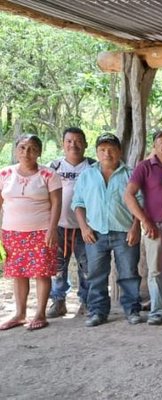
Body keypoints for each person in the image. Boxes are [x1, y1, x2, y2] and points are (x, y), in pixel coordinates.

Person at [73, 134, 142, 327]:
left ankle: (132, 310)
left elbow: (140, 202)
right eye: (102, 149)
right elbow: (78, 204)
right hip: (95, 233)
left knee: (128, 272)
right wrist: (84, 228)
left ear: (119, 151)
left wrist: (136, 227)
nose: (107, 153)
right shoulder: (87, 175)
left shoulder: (130, 174)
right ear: (96, 152)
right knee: (96, 274)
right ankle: (97, 311)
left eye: (111, 149)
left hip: (124, 231)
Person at [0, 134, 62, 331]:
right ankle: (20, 314)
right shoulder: (4, 174)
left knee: (41, 272)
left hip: (41, 231)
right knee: (18, 273)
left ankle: (40, 313)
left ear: (39, 152)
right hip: (12, 232)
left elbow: (57, 204)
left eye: (32, 148)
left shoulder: (49, 175)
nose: (27, 152)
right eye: (22, 148)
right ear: (16, 150)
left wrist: (52, 230)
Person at [124, 129, 162, 325]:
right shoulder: (144, 167)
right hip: (153, 225)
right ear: (154, 145)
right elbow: (129, 195)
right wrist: (144, 221)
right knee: (155, 269)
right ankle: (157, 310)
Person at [46, 127, 94, 318]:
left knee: (87, 267)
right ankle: (58, 301)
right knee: (57, 266)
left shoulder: (93, 166)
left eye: (78, 140)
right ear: (63, 144)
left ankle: (87, 302)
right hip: (58, 226)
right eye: (69, 141)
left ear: (85, 144)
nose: (73, 144)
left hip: (86, 227)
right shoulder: (53, 166)